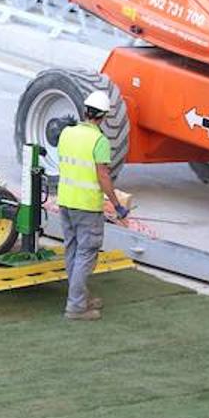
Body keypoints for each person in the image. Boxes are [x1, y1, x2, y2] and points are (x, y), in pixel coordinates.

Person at [55, 90, 130, 322]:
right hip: (87, 207)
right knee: (86, 254)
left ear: (85, 111)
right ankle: (76, 307)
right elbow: (103, 177)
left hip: (66, 201)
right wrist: (117, 206)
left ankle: (80, 296)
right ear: (104, 116)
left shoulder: (67, 133)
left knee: (73, 251)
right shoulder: (99, 141)